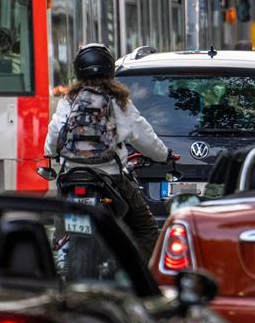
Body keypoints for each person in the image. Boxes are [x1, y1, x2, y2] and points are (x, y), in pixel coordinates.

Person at [44, 43, 172, 260]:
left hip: (72, 176)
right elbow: (144, 137)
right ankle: (144, 279)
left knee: (61, 216)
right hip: (110, 178)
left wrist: (50, 153)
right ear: (110, 69)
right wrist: (164, 156)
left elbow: (55, 133)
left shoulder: (69, 101)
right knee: (145, 226)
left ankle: (60, 253)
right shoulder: (120, 102)